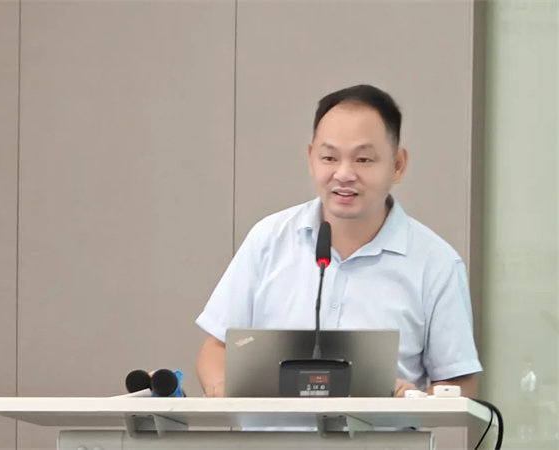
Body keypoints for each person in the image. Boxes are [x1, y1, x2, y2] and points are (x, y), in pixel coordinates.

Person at [195, 84, 482, 399]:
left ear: (398, 165)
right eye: (329, 157)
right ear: (311, 158)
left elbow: (459, 381)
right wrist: (223, 391)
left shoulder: (436, 263)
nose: (344, 174)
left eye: (364, 159)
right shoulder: (268, 239)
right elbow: (216, 348)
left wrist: (413, 402)